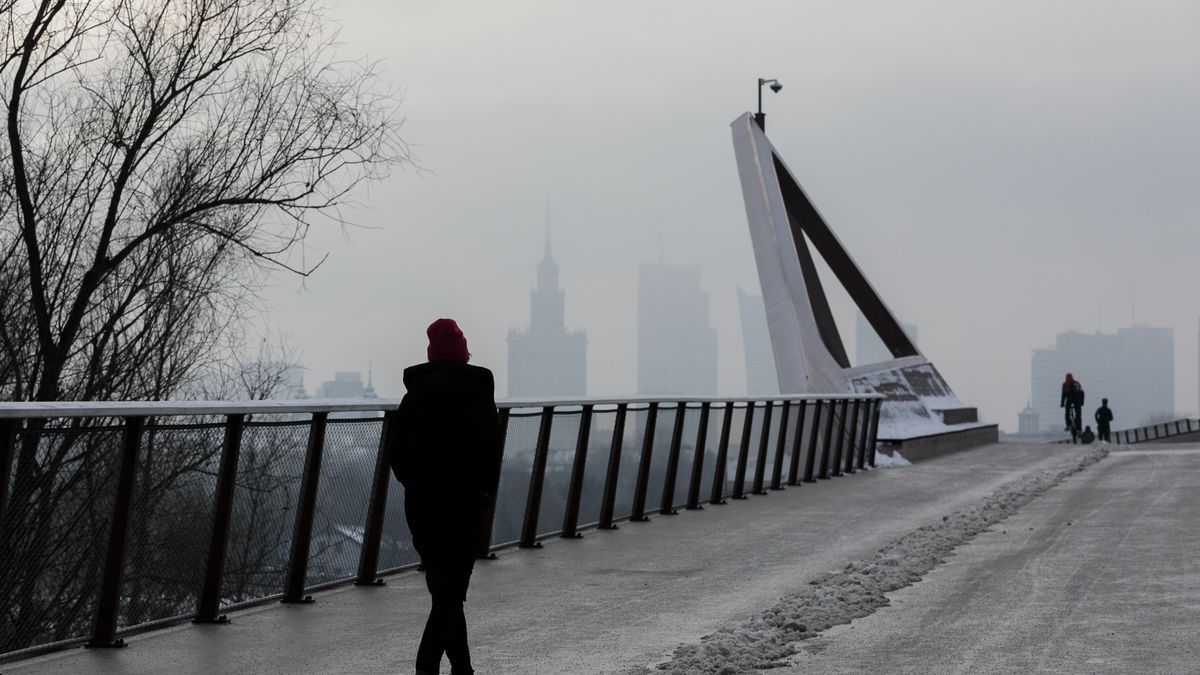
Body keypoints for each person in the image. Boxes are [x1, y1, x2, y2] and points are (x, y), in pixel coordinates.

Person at [389, 318, 502, 675]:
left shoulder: (414, 397)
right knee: (451, 594)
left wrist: (415, 484)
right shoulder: (479, 395)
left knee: (445, 591)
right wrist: (482, 492)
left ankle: (463, 668)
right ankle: (426, 667)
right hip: (465, 505)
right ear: (463, 353)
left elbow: (398, 454)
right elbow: (491, 453)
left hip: (423, 506)